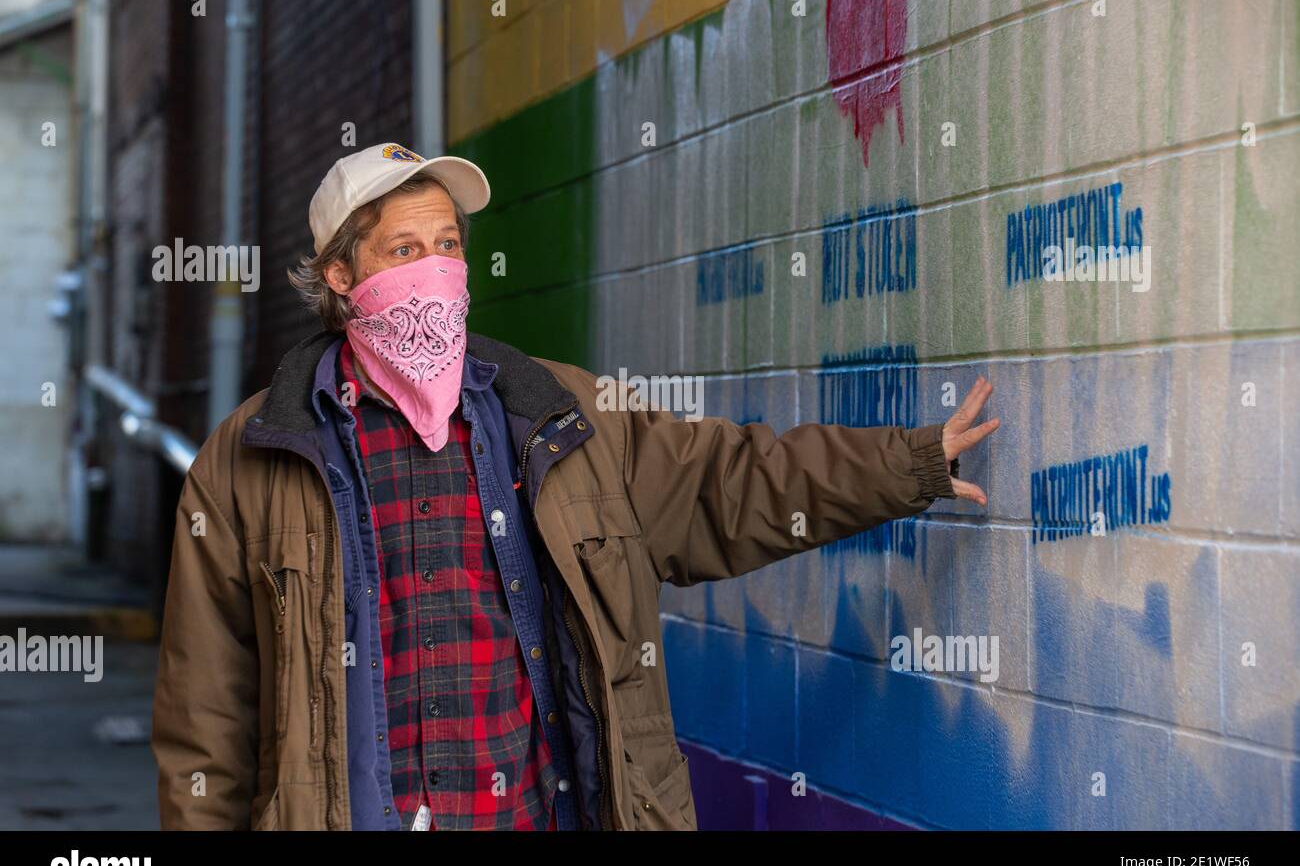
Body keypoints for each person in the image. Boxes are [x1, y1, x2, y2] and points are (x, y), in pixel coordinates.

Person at [150, 142, 999, 831]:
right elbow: (206, 717)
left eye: (448, 245)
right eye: (404, 251)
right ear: (341, 276)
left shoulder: (558, 415)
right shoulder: (253, 459)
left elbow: (735, 481)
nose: (435, 272)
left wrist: (912, 463)